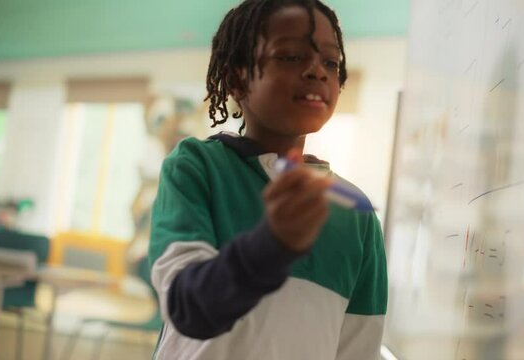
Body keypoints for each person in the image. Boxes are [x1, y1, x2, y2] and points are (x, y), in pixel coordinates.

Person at [148, 1, 388, 359]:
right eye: (291, 56)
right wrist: (272, 245)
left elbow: (358, 350)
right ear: (236, 77)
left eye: (331, 62)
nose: (317, 71)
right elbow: (188, 307)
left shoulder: (356, 215)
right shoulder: (197, 166)